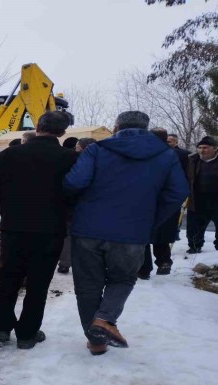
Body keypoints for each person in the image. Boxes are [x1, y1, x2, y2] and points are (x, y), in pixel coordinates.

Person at [64, 111, 188, 356]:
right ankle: (104, 320)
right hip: (133, 231)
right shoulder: (166, 155)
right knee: (122, 279)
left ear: (116, 127)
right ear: (146, 128)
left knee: (87, 286)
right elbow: (178, 192)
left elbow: (74, 182)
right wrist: (151, 219)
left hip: (88, 228)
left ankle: (96, 340)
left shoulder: (96, 150)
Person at [0, 111, 77, 350]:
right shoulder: (70, 158)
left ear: (37, 126)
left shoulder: (10, 154)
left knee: (9, 278)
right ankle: (27, 333)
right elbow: (76, 194)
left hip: (14, 228)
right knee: (39, 283)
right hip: (51, 230)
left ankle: (2, 327)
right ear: (63, 131)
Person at [139, 128, 192, 278]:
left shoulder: (145, 154)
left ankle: (144, 268)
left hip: (149, 200)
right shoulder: (175, 155)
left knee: (144, 234)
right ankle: (163, 262)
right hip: (167, 200)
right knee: (160, 233)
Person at [58, 137, 98, 274]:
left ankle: (65, 263)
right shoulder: (102, 161)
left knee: (69, 234)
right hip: (93, 204)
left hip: (73, 202)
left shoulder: (73, 160)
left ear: (80, 147)